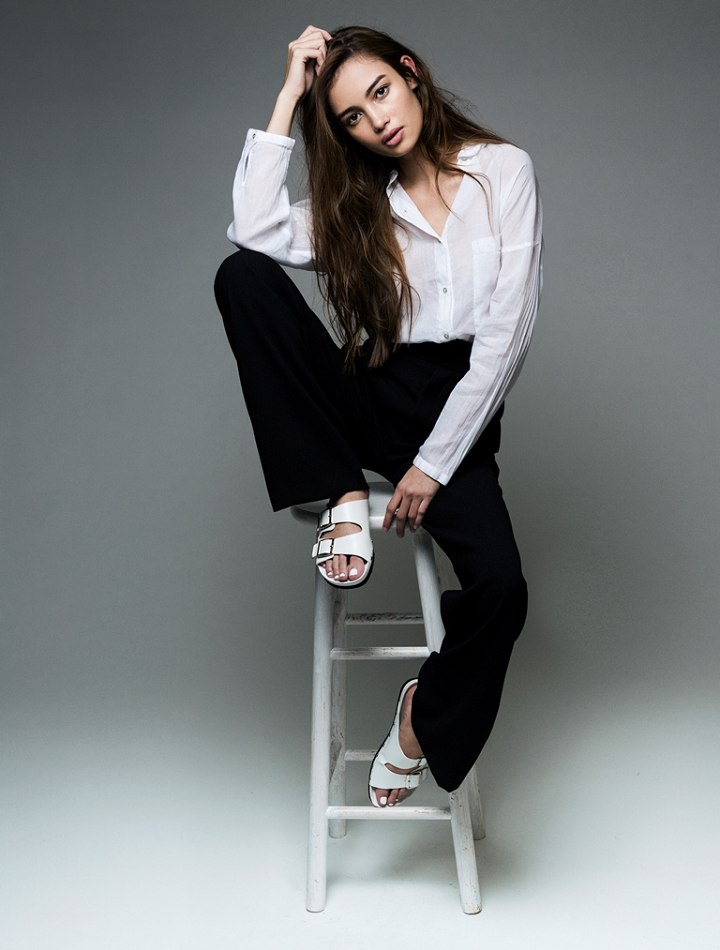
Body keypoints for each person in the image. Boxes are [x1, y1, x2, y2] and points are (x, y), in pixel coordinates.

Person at [214, 25, 543, 809]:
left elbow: (508, 335)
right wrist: (289, 94)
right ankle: (343, 490)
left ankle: (421, 719)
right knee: (241, 278)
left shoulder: (503, 171)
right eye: (352, 117)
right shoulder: (357, 203)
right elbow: (252, 232)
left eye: (381, 93)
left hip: (456, 416)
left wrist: (432, 465)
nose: (377, 121)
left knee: (502, 588)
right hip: (370, 394)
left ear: (411, 73)